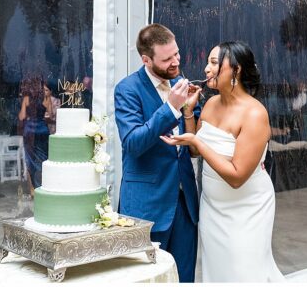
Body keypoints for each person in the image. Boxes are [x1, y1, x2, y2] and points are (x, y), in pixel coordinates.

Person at [165, 41, 284, 283]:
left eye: (214, 63)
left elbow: (237, 176)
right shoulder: (210, 104)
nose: (206, 69)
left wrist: (196, 143)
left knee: (244, 272)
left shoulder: (254, 113)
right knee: (218, 271)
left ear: (236, 70)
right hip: (212, 207)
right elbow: (198, 152)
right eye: (207, 63)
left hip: (247, 208)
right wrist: (189, 112)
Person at [114, 24, 201, 283]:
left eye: (177, 54)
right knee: (146, 279)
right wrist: (171, 108)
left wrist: (186, 111)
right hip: (147, 205)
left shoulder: (179, 81)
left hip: (185, 203)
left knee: (184, 277)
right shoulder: (127, 89)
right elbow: (133, 143)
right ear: (146, 60)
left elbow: (190, 138)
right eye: (167, 59)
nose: (176, 62)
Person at [17, 76, 50, 196]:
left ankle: (34, 189)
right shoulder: (46, 97)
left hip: (30, 130)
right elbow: (50, 115)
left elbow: (22, 116)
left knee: (30, 159)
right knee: (44, 158)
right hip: (42, 129)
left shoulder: (26, 98)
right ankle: (45, 186)